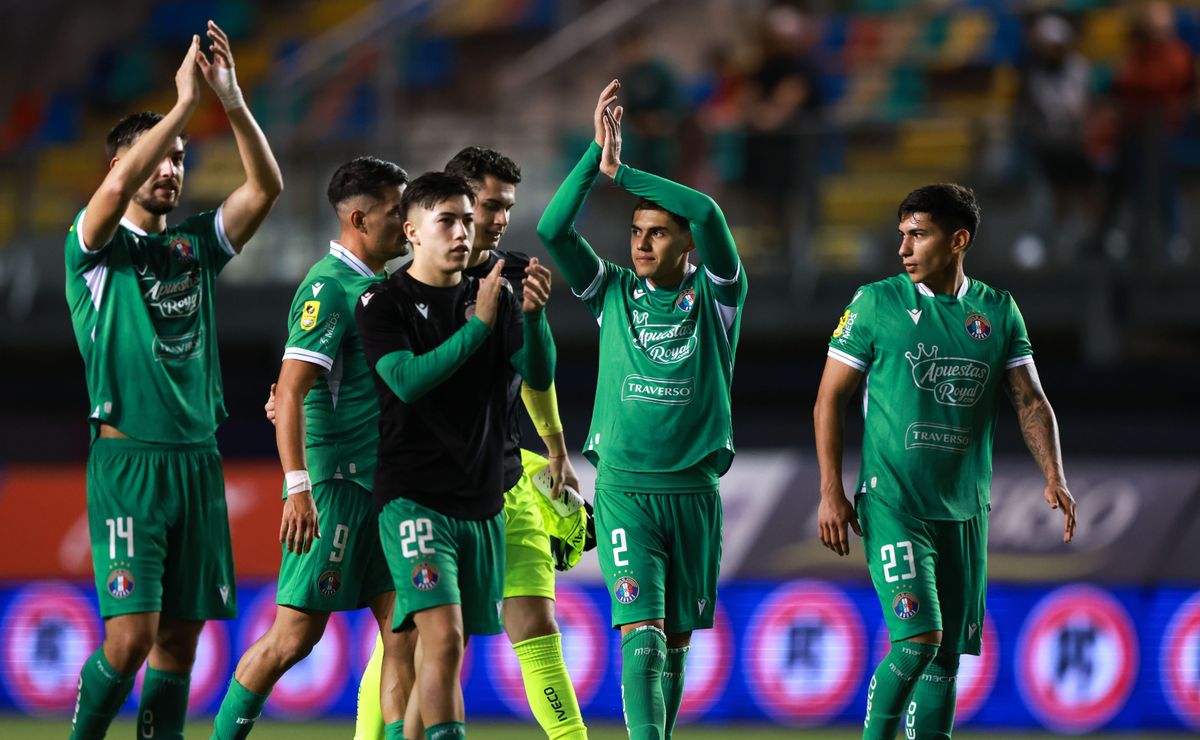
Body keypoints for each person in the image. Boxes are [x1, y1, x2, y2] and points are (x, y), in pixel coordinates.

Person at [63, 22, 282, 740]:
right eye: (159, 158)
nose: (171, 170)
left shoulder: (193, 247)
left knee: (178, 646)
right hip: (129, 464)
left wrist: (232, 101)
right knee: (129, 640)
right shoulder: (94, 253)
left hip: (197, 463)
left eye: (181, 158)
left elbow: (266, 188)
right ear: (125, 165)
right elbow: (114, 187)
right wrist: (183, 105)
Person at [813, 184, 1077, 739]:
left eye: (918, 235)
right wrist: (831, 491)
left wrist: (1054, 475)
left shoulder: (997, 311)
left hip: (964, 510)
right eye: (901, 235)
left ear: (958, 241)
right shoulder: (875, 303)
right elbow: (829, 399)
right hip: (894, 501)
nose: (903, 248)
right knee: (918, 642)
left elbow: (1030, 400)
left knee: (946, 658)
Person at [354, 147, 590, 740]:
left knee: (524, 631)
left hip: (500, 482)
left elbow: (535, 376)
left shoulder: (512, 280)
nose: (496, 220)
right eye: (484, 207)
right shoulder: (388, 297)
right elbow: (393, 381)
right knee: (414, 640)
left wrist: (557, 450)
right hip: (417, 492)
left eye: (503, 208)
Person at [536, 80, 747, 740]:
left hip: (693, 490)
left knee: (675, 644)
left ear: (688, 243)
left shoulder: (719, 296)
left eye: (658, 233)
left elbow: (707, 210)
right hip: (625, 488)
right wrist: (595, 157)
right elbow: (551, 229)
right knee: (643, 637)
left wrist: (624, 173)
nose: (642, 243)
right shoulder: (612, 292)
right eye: (635, 232)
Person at [209, 157, 412, 738]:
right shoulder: (328, 287)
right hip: (337, 485)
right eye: (396, 211)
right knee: (294, 637)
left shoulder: (382, 288)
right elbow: (292, 390)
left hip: (384, 487)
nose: (407, 222)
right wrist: (299, 488)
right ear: (359, 219)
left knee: (407, 634)